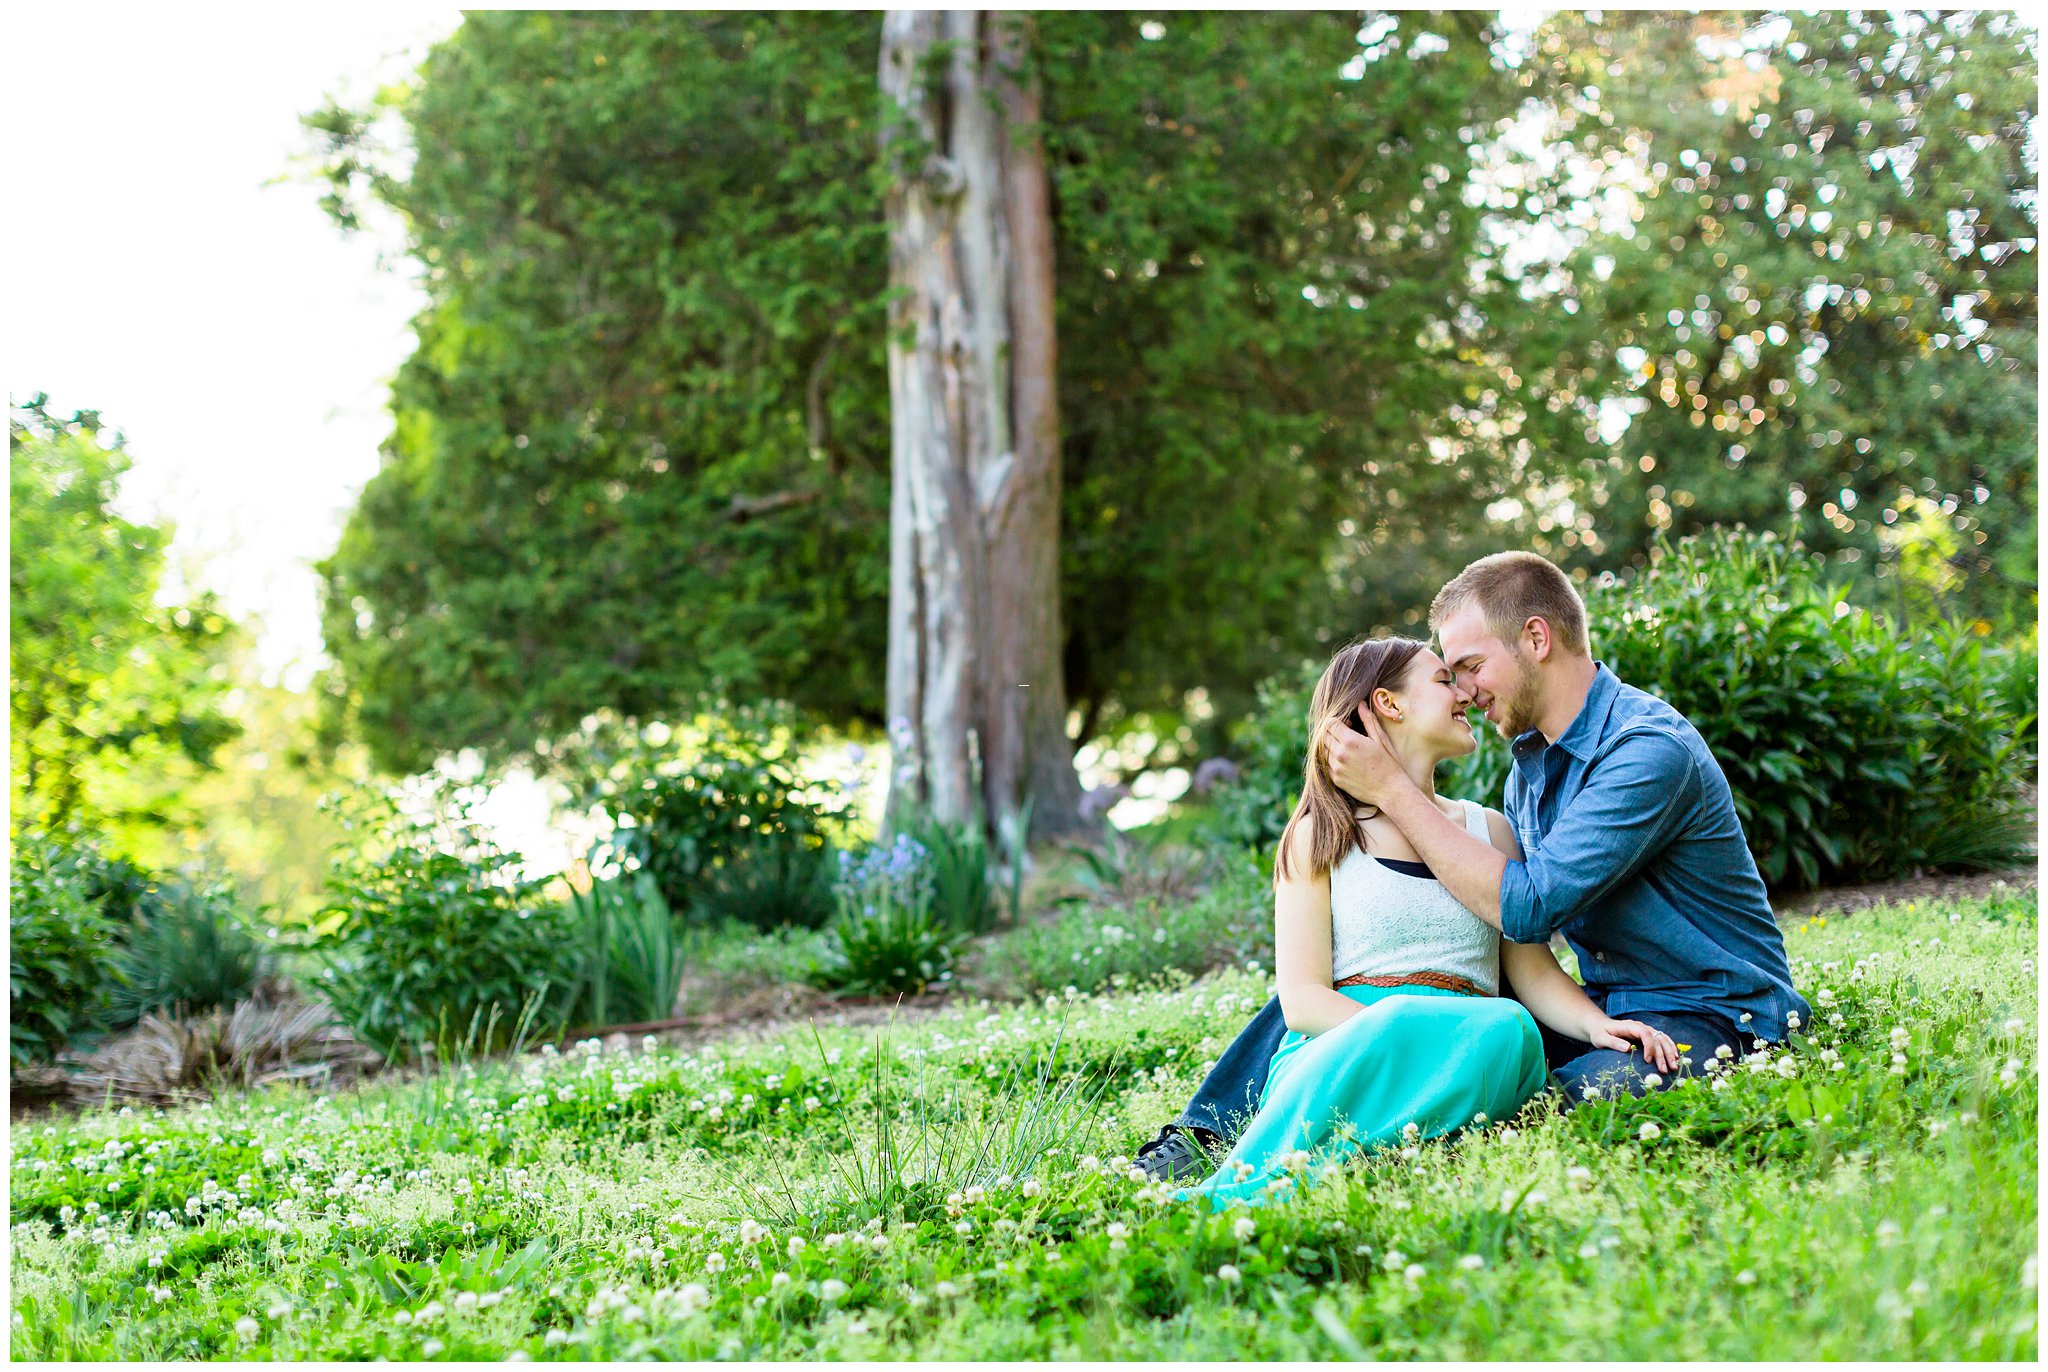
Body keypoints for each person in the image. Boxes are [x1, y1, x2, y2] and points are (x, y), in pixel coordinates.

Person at [1140, 551, 1810, 1183]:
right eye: (1447, 675)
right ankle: (1203, 1133)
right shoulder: (1531, 771)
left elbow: (1526, 912)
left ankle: (1377, 1136)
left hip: (1704, 1010)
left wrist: (1394, 791)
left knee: (1561, 1100)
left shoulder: (1645, 752)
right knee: (1329, 988)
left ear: (1536, 638)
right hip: (1610, 1003)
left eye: (1467, 665)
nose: (1461, 690)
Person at [1173, 635, 1677, 1209]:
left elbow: (1531, 971)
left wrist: (1597, 1027)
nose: (1465, 693)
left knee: (1509, 1027)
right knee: (1488, 1027)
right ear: (1390, 703)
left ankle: (1337, 1162)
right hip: (1349, 1048)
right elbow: (1303, 1002)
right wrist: (1403, 1032)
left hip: (1471, 1046)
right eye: (1443, 681)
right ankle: (1242, 1190)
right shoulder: (1320, 835)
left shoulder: (1491, 832)